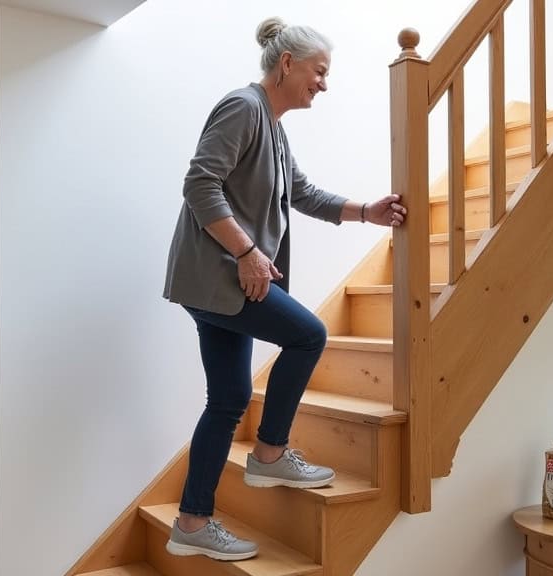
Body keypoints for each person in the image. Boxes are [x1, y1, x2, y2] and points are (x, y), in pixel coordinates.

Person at [162, 16, 407, 562]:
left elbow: (301, 191)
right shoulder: (244, 107)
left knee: (226, 401)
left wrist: (367, 211)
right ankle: (270, 453)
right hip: (217, 277)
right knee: (309, 335)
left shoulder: (272, 125)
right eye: (320, 71)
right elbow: (199, 183)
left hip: (214, 284)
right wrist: (248, 253)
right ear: (288, 63)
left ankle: (191, 523)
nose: (324, 83)